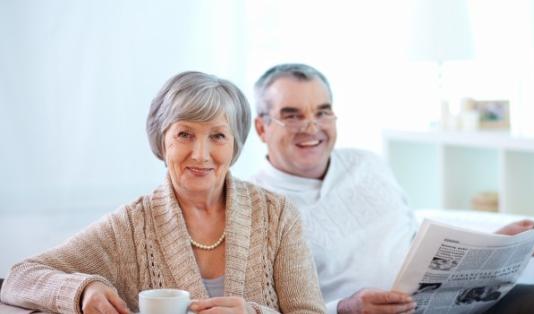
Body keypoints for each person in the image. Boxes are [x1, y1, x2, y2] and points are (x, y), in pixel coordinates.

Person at [0, 71, 326, 314]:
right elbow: (20, 277)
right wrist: (83, 289)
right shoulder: (130, 226)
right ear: (161, 140)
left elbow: (310, 311)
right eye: (185, 134)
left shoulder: (276, 214)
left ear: (236, 144)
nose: (200, 154)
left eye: (217, 136)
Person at [250, 63, 534, 314]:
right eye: (292, 116)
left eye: (322, 112)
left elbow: (415, 241)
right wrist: (343, 308)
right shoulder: (254, 206)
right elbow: (260, 308)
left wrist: (495, 243)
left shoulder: (367, 164)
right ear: (262, 128)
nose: (312, 127)